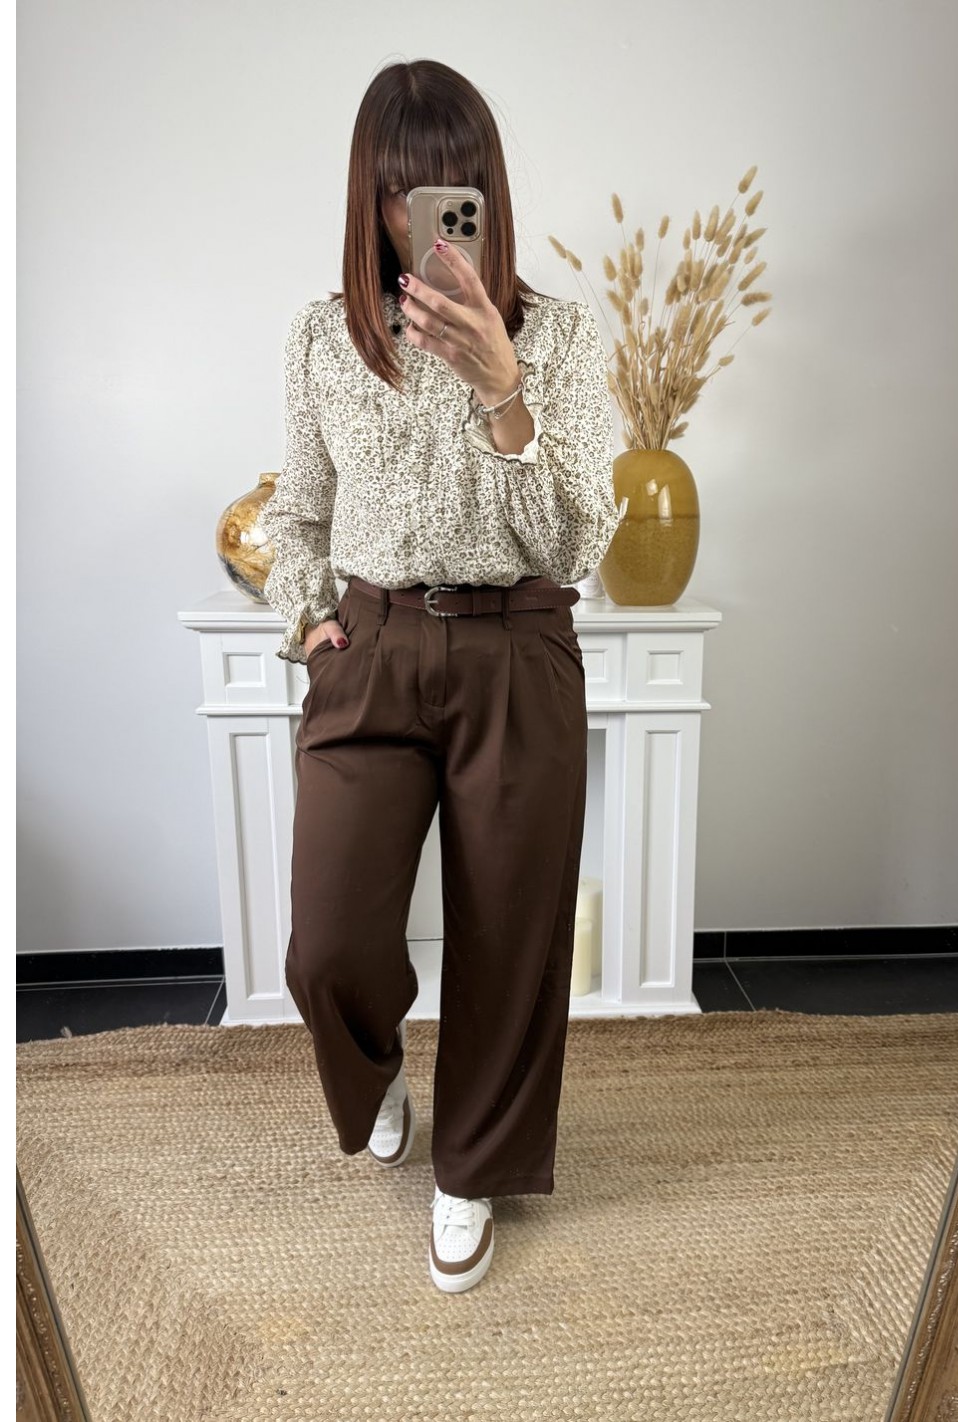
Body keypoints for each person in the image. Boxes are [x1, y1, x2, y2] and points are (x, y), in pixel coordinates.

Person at [262, 59, 622, 1295]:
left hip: (516, 645)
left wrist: (502, 391)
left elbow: (578, 542)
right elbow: (296, 515)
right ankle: (376, 1075)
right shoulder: (323, 338)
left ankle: (470, 1167)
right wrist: (310, 619)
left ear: (485, 194)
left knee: (511, 933)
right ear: (369, 200)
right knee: (328, 942)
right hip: (370, 651)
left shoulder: (556, 337)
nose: (425, 218)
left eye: (450, 191)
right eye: (399, 191)